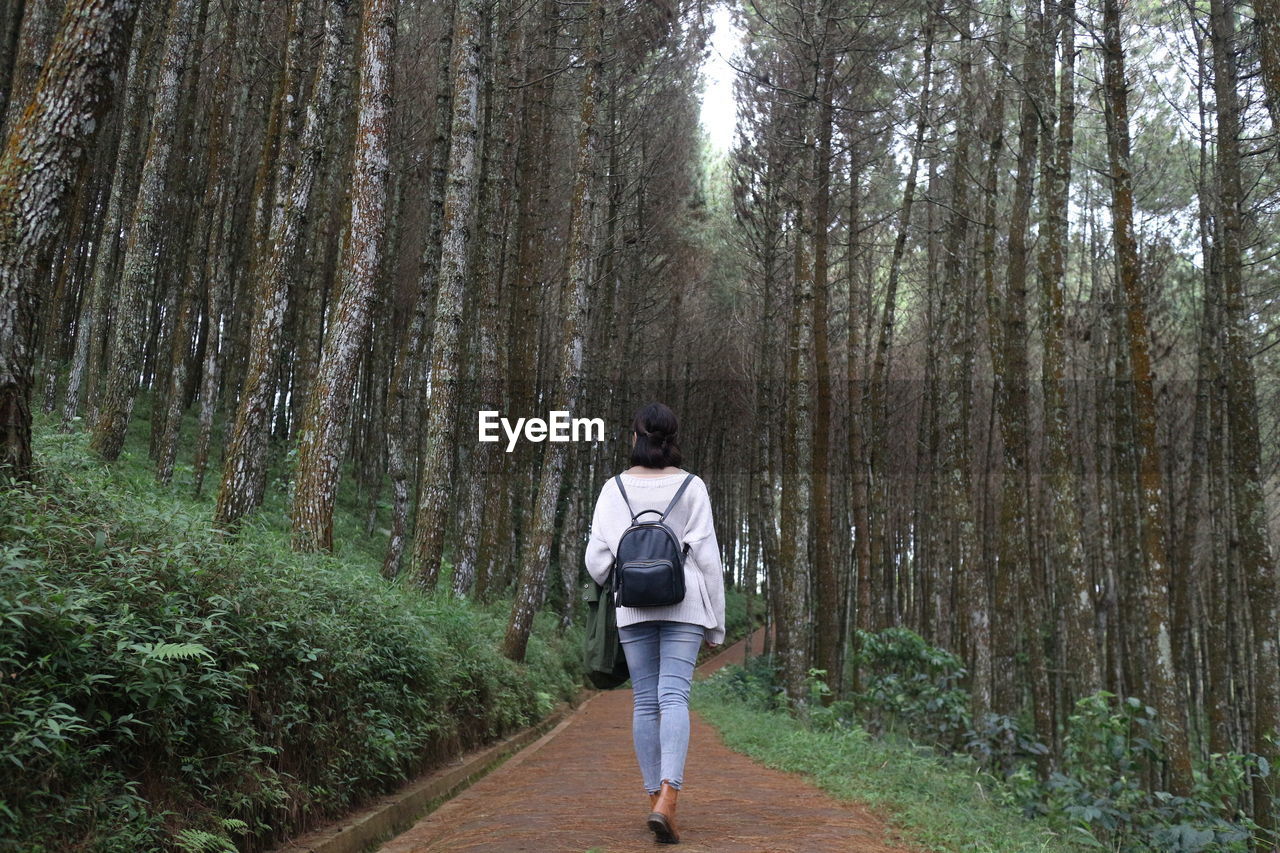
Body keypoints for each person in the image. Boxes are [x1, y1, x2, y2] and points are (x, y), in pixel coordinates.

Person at [585, 402, 726, 845]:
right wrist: (716, 623)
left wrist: (627, 575)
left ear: (635, 438)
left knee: (645, 701)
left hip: (632, 607)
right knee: (674, 696)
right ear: (672, 438)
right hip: (684, 604)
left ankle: (653, 800)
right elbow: (707, 557)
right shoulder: (692, 486)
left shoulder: (613, 489)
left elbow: (596, 561)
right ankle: (669, 797)